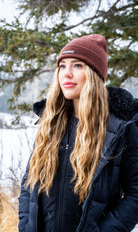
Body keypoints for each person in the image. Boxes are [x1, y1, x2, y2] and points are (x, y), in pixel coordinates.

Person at [18, 34, 138, 232]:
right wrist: (25, 227)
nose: (67, 73)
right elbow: (28, 185)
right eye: (62, 66)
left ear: (94, 73)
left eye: (77, 65)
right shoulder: (50, 123)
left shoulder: (120, 129)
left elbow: (135, 195)